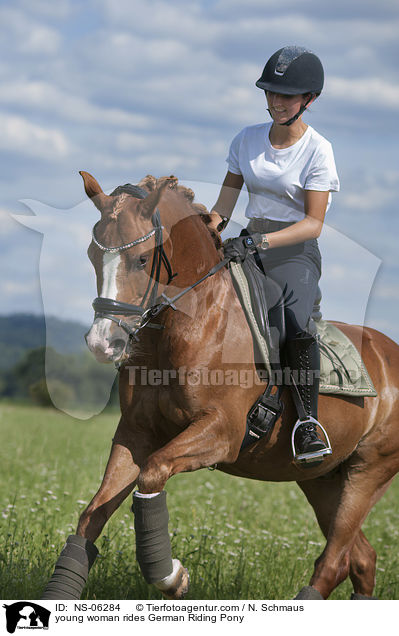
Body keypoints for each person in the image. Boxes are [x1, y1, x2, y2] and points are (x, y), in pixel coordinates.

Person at [209, 46, 340, 464]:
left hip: (294, 251)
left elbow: (313, 223)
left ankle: (307, 424)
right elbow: (223, 208)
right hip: (246, 243)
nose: (275, 101)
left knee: (297, 325)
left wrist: (261, 243)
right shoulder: (245, 139)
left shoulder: (319, 150)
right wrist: (204, 231)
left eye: (286, 95)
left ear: (309, 100)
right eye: (270, 92)